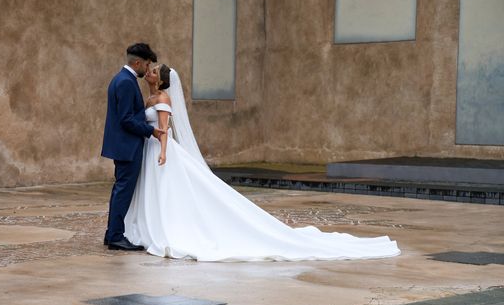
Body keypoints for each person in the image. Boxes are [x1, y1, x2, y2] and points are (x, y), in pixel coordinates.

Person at [123, 64, 400, 261]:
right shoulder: (149, 96)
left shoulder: (163, 98)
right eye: (150, 69)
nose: (150, 72)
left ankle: (166, 229)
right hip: (149, 151)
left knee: (170, 192)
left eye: (154, 71)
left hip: (160, 150)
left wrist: (162, 152)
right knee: (158, 193)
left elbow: (163, 128)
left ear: (161, 80)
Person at [101, 43, 166, 251]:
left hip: (122, 145)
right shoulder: (127, 83)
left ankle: (112, 233)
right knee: (123, 191)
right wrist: (151, 131)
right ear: (137, 62)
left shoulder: (120, 79)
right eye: (146, 65)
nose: (147, 70)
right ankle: (116, 236)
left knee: (119, 190)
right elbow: (126, 119)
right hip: (127, 146)